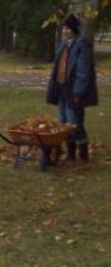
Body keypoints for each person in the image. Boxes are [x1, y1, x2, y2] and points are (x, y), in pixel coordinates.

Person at [46, 13, 98, 162]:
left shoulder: (82, 44)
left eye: (68, 29)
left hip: (73, 90)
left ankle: (83, 153)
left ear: (75, 29)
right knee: (63, 123)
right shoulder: (64, 44)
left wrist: (79, 92)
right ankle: (70, 153)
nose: (65, 31)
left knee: (74, 123)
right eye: (64, 29)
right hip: (62, 89)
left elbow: (83, 71)